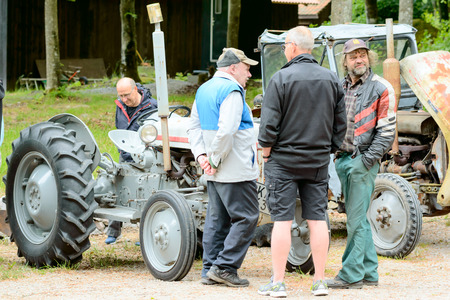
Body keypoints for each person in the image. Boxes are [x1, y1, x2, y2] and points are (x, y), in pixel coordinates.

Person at [257, 26, 347, 297]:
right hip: (317, 160)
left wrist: (265, 152)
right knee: (317, 219)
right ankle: (320, 281)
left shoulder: (281, 78)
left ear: (293, 47)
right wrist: (328, 149)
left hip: (283, 160)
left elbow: (268, 124)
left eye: (285, 45)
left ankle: (278, 283)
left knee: (282, 221)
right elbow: (340, 124)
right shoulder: (331, 79)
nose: (285, 50)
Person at [326, 39, 396, 289]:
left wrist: (366, 161)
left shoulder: (381, 87)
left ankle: (350, 274)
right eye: (353, 56)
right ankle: (369, 273)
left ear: (369, 58)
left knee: (354, 220)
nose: (359, 59)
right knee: (360, 220)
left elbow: (387, 132)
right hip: (342, 159)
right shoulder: (340, 86)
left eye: (362, 55)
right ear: (345, 61)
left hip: (361, 161)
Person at [188, 48, 259, 287]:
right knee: (247, 217)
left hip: (214, 169)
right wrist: (214, 159)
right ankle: (225, 267)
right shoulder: (232, 91)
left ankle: (210, 268)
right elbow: (228, 130)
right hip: (235, 167)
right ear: (233, 68)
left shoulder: (203, 89)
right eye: (246, 68)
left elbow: (194, 128)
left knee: (216, 220)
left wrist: (202, 157)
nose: (249, 74)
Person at [105, 77, 158, 244]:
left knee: (147, 192)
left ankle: (145, 234)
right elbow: (119, 127)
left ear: (136, 90)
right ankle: (113, 231)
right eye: (120, 96)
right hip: (125, 155)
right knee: (117, 186)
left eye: (127, 95)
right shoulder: (120, 106)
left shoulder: (153, 106)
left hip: (146, 157)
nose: (124, 99)